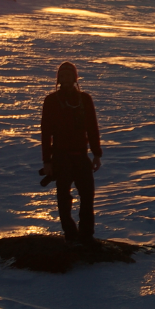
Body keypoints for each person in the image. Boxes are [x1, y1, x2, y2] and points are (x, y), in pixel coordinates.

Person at [40, 62, 103, 245]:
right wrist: (47, 161)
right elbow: (46, 133)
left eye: (69, 76)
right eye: (62, 76)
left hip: (81, 155)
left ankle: (86, 235)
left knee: (87, 195)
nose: (65, 79)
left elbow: (92, 128)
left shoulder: (85, 99)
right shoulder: (51, 101)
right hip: (61, 157)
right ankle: (70, 233)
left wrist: (96, 154)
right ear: (58, 79)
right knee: (63, 197)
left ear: (75, 78)